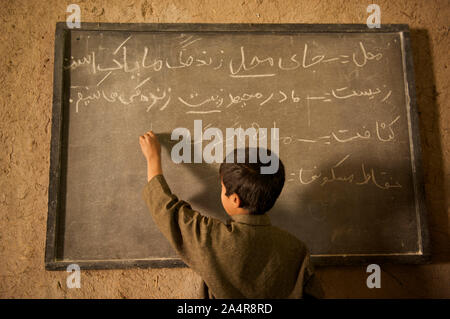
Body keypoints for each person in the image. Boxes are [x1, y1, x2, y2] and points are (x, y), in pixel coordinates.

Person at [139, 130, 323, 299]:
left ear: (235, 199)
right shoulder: (296, 250)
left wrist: (152, 158)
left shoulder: (210, 238)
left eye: (222, 187)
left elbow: (165, 209)